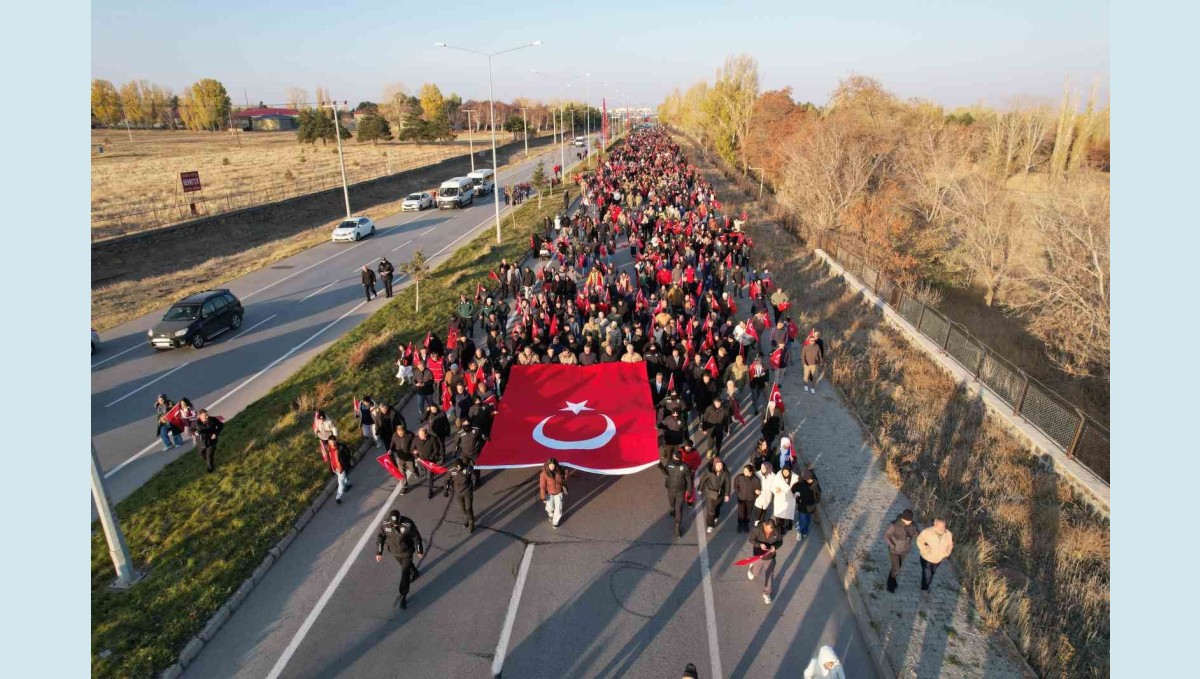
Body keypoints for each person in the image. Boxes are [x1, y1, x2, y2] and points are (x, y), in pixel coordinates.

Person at [375, 510, 424, 610]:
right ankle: (414, 571)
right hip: (394, 551)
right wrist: (379, 552)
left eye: (396, 524)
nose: (394, 527)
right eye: (393, 525)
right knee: (405, 566)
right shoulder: (385, 525)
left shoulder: (408, 524)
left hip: (406, 551)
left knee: (405, 572)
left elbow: (416, 537)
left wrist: (419, 550)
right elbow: (380, 538)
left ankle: (403, 594)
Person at [747, 517, 783, 604]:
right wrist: (759, 544)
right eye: (768, 530)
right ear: (764, 525)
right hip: (759, 556)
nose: (769, 533)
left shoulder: (776, 531)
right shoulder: (757, 529)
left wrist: (775, 546)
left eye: (771, 531)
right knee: (756, 573)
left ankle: (766, 593)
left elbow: (780, 541)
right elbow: (751, 539)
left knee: (769, 575)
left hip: (770, 556)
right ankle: (751, 570)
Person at [885, 509, 920, 593]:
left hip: (905, 550)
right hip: (894, 551)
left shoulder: (913, 525)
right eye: (908, 520)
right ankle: (890, 585)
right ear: (903, 519)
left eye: (911, 520)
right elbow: (887, 536)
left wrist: (921, 537)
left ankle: (893, 580)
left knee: (899, 566)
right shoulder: (894, 525)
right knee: (895, 567)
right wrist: (892, 545)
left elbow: (915, 533)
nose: (909, 522)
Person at [661, 449, 694, 538]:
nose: (674, 458)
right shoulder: (669, 464)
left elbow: (689, 480)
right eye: (673, 457)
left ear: (679, 457)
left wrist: (689, 491)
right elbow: (666, 473)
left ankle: (677, 527)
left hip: (681, 491)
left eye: (675, 457)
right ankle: (672, 509)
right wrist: (660, 466)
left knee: (678, 508)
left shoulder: (685, 467)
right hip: (671, 490)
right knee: (672, 504)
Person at [917, 518, 954, 591]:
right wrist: (925, 550)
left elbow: (950, 545)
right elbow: (919, 541)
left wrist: (946, 553)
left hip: (938, 559)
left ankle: (925, 582)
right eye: (939, 526)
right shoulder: (927, 532)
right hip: (926, 558)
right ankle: (924, 588)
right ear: (935, 524)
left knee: (933, 572)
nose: (941, 528)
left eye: (943, 526)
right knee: (927, 573)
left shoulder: (948, 534)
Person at [697, 457, 731, 533]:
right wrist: (700, 489)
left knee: (718, 506)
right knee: (710, 510)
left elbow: (728, 483)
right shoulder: (709, 472)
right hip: (710, 493)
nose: (719, 467)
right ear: (714, 465)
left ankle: (716, 516)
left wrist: (727, 494)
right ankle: (710, 525)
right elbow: (703, 480)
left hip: (720, 494)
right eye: (718, 465)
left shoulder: (725, 472)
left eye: (721, 465)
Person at [412, 426, 445, 499]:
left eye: (422, 435)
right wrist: (417, 456)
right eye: (419, 435)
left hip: (430, 461)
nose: (420, 437)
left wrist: (430, 458)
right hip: (421, 461)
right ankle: (430, 477)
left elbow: (436, 449)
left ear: (426, 434)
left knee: (430, 476)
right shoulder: (416, 439)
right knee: (425, 473)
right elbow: (412, 449)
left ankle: (430, 491)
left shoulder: (432, 439)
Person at [447, 458, 476, 532]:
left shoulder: (467, 467)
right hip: (458, 492)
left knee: (468, 507)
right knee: (462, 507)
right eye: (457, 467)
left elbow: (473, 473)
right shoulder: (452, 470)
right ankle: (466, 518)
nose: (459, 468)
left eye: (460, 466)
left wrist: (472, 477)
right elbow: (446, 479)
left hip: (467, 491)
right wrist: (445, 489)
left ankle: (471, 522)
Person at [388, 422, 417, 495]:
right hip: (400, 458)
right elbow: (392, 442)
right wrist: (390, 449)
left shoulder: (410, 434)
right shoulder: (395, 435)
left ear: (405, 430)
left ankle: (416, 471)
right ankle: (405, 486)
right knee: (402, 473)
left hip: (409, 457)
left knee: (412, 469)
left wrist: (416, 450)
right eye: (399, 432)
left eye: (401, 432)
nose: (400, 434)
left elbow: (415, 442)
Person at [732, 464, 761, 533]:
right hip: (741, 498)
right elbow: (736, 485)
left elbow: (758, 490)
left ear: (751, 472)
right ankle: (739, 524)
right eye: (744, 470)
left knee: (748, 513)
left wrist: (754, 496)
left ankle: (746, 524)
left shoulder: (756, 480)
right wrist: (738, 492)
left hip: (750, 499)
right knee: (741, 512)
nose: (744, 472)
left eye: (746, 471)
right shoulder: (739, 477)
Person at [539, 457, 568, 528]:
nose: (552, 467)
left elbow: (563, 478)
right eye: (550, 465)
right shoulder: (543, 474)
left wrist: (566, 472)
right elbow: (542, 486)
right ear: (547, 465)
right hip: (549, 493)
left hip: (559, 492)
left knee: (558, 509)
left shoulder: (559, 470)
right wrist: (543, 498)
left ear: (555, 465)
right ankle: (551, 514)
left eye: (553, 465)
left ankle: (555, 522)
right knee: (549, 508)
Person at [794, 468, 821, 542]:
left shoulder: (815, 484)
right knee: (802, 520)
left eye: (810, 479)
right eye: (808, 479)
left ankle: (805, 531)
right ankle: (799, 531)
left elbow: (818, 493)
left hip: (811, 506)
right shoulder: (800, 484)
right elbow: (794, 490)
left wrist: (816, 500)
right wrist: (797, 498)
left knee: (808, 521)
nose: (810, 480)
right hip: (802, 506)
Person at [771, 466, 798, 536]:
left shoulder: (795, 478)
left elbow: (798, 488)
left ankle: (787, 526)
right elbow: (772, 486)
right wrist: (775, 489)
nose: (785, 473)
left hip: (790, 499)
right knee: (780, 515)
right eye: (784, 472)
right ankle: (779, 529)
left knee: (788, 515)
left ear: (790, 472)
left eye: (787, 472)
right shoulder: (777, 477)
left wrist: (797, 493)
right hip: (780, 499)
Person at [194, 409, 223, 473]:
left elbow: (221, 425)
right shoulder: (196, 423)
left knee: (209, 455)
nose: (207, 417)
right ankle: (207, 459)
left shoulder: (212, 419)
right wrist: (195, 433)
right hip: (201, 442)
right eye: (205, 416)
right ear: (200, 416)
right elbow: (191, 430)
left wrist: (216, 433)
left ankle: (210, 470)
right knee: (202, 455)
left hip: (211, 440)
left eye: (207, 415)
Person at [326, 435, 352, 504]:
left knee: (341, 483)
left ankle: (338, 497)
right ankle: (348, 483)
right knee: (343, 478)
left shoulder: (340, 447)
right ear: (328, 442)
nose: (332, 443)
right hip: (334, 468)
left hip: (341, 468)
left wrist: (346, 464)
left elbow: (347, 454)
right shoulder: (328, 448)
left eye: (334, 441)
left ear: (336, 440)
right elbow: (330, 458)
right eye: (331, 442)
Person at [801, 329, 825, 394]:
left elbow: (820, 355)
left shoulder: (817, 347)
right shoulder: (806, 347)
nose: (812, 342)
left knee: (814, 377)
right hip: (807, 365)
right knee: (806, 376)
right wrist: (804, 364)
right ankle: (805, 385)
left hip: (815, 365)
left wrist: (821, 361)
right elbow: (803, 356)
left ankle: (812, 388)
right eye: (811, 341)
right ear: (809, 341)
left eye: (814, 341)